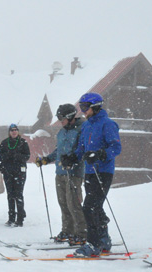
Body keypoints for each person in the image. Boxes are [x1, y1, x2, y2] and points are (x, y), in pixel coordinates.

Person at [62, 93, 121, 257]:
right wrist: (72, 158)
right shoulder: (87, 126)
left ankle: (93, 244)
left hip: (103, 171)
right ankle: (104, 240)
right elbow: (81, 149)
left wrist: (100, 154)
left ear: (95, 107)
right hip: (89, 172)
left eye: (85, 107)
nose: (82, 111)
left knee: (89, 207)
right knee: (96, 207)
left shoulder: (108, 124)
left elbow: (116, 148)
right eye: (81, 107)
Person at [36, 104, 87, 244]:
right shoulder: (62, 132)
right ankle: (68, 230)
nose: (60, 121)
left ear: (70, 117)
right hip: (60, 172)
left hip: (74, 172)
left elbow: (82, 151)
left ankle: (81, 233)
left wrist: (72, 161)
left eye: (61, 118)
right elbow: (58, 151)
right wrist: (46, 159)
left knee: (74, 204)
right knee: (63, 203)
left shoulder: (81, 130)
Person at [0, 124, 31, 227]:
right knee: (10, 195)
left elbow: (27, 156)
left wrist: (17, 156)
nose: (14, 132)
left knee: (18, 195)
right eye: (12, 130)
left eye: (16, 130)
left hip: (19, 172)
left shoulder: (23, 142)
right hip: (8, 172)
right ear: (9, 132)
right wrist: (7, 155)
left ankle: (20, 218)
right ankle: (11, 217)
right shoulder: (4, 143)